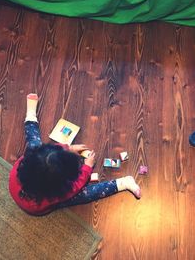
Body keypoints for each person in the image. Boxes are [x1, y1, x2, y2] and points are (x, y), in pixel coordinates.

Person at [9, 93, 141, 216]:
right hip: (39, 207)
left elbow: (49, 153)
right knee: (84, 194)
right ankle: (123, 183)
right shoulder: (58, 193)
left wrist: (69, 148)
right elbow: (77, 185)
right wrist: (87, 167)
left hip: (27, 191)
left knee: (35, 144)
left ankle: (31, 116)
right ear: (62, 184)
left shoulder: (25, 162)